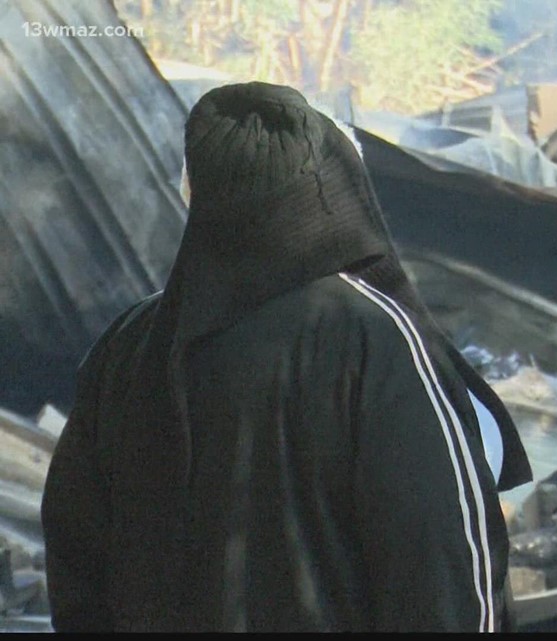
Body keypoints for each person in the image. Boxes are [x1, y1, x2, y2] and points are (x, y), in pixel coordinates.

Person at [40, 81, 532, 632]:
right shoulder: (372, 334)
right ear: (333, 190)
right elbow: (443, 552)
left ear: (195, 196)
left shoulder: (128, 347)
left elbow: (74, 556)